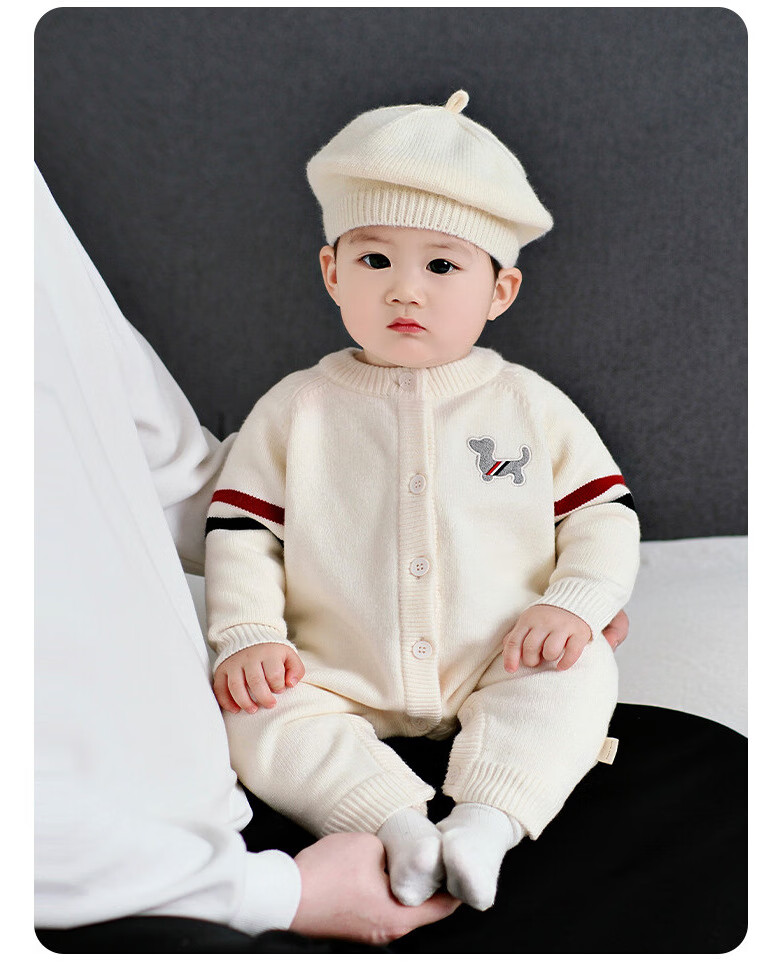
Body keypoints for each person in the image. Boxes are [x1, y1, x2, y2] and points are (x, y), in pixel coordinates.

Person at [204, 90, 641, 914]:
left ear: (501, 290)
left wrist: (576, 602)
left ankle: (487, 820)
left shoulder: (529, 404)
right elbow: (241, 532)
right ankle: (393, 824)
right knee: (250, 710)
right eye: (375, 261)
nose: (406, 291)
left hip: (499, 653)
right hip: (333, 666)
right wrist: (249, 635)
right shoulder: (296, 407)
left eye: (442, 266)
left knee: (579, 673)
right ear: (332, 272)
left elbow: (602, 516)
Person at [33, 165, 459, 951]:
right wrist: (272, 894)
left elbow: (179, 480)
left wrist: (512, 566)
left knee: (687, 780)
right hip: (117, 901)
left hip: (223, 806)